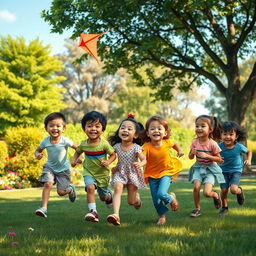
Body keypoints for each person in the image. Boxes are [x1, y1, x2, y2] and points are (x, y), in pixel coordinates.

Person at [71, 111, 116, 223]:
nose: (93, 129)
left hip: (102, 174)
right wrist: (74, 159)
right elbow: (77, 151)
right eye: (89, 126)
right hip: (88, 172)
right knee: (90, 188)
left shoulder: (104, 144)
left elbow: (113, 154)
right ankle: (93, 212)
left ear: (103, 129)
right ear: (84, 129)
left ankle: (108, 197)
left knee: (102, 197)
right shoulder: (83, 144)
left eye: (97, 126)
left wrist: (108, 162)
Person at [141, 115, 183, 225]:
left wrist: (179, 150)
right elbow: (142, 156)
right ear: (148, 133)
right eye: (152, 128)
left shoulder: (166, 142)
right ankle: (162, 217)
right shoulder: (146, 146)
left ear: (165, 132)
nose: (156, 131)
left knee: (161, 193)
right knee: (156, 200)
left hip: (166, 172)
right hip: (152, 175)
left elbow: (174, 144)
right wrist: (139, 162)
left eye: (159, 128)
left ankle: (171, 199)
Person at [34, 112, 78, 218]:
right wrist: (38, 155)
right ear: (46, 128)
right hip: (49, 167)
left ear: (64, 128)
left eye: (58, 126)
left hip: (63, 170)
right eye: (51, 125)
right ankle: (44, 208)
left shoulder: (65, 140)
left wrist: (77, 158)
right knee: (48, 184)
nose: (55, 128)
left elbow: (78, 149)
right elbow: (37, 151)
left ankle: (70, 189)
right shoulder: (45, 141)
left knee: (61, 192)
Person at [106, 114, 147, 226]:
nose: (125, 130)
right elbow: (111, 156)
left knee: (131, 202)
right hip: (120, 172)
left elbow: (144, 159)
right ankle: (116, 215)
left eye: (129, 129)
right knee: (118, 188)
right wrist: (110, 165)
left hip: (133, 174)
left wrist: (141, 163)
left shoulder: (136, 147)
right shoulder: (117, 146)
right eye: (122, 127)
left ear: (136, 135)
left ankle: (137, 199)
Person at [188, 115, 225, 217]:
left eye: (202, 126)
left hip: (210, 170)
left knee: (207, 193)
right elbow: (190, 157)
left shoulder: (213, 144)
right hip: (198, 168)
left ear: (210, 130)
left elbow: (219, 159)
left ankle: (215, 195)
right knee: (196, 187)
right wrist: (192, 153)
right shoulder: (194, 142)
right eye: (197, 126)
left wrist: (208, 156)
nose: (199, 128)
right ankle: (197, 209)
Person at [218, 121, 252, 216]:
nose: (227, 137)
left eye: (231, 134)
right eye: (225, 134)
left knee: (233, 189)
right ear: (221, 135)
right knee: (224, 190)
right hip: (222, 171)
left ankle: (239, 191)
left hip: (236, 171)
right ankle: (224, 208)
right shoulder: (219, 146)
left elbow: (249, 151)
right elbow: (213, 154)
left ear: (236, 136)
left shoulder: (239, 146)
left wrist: (248, 160)